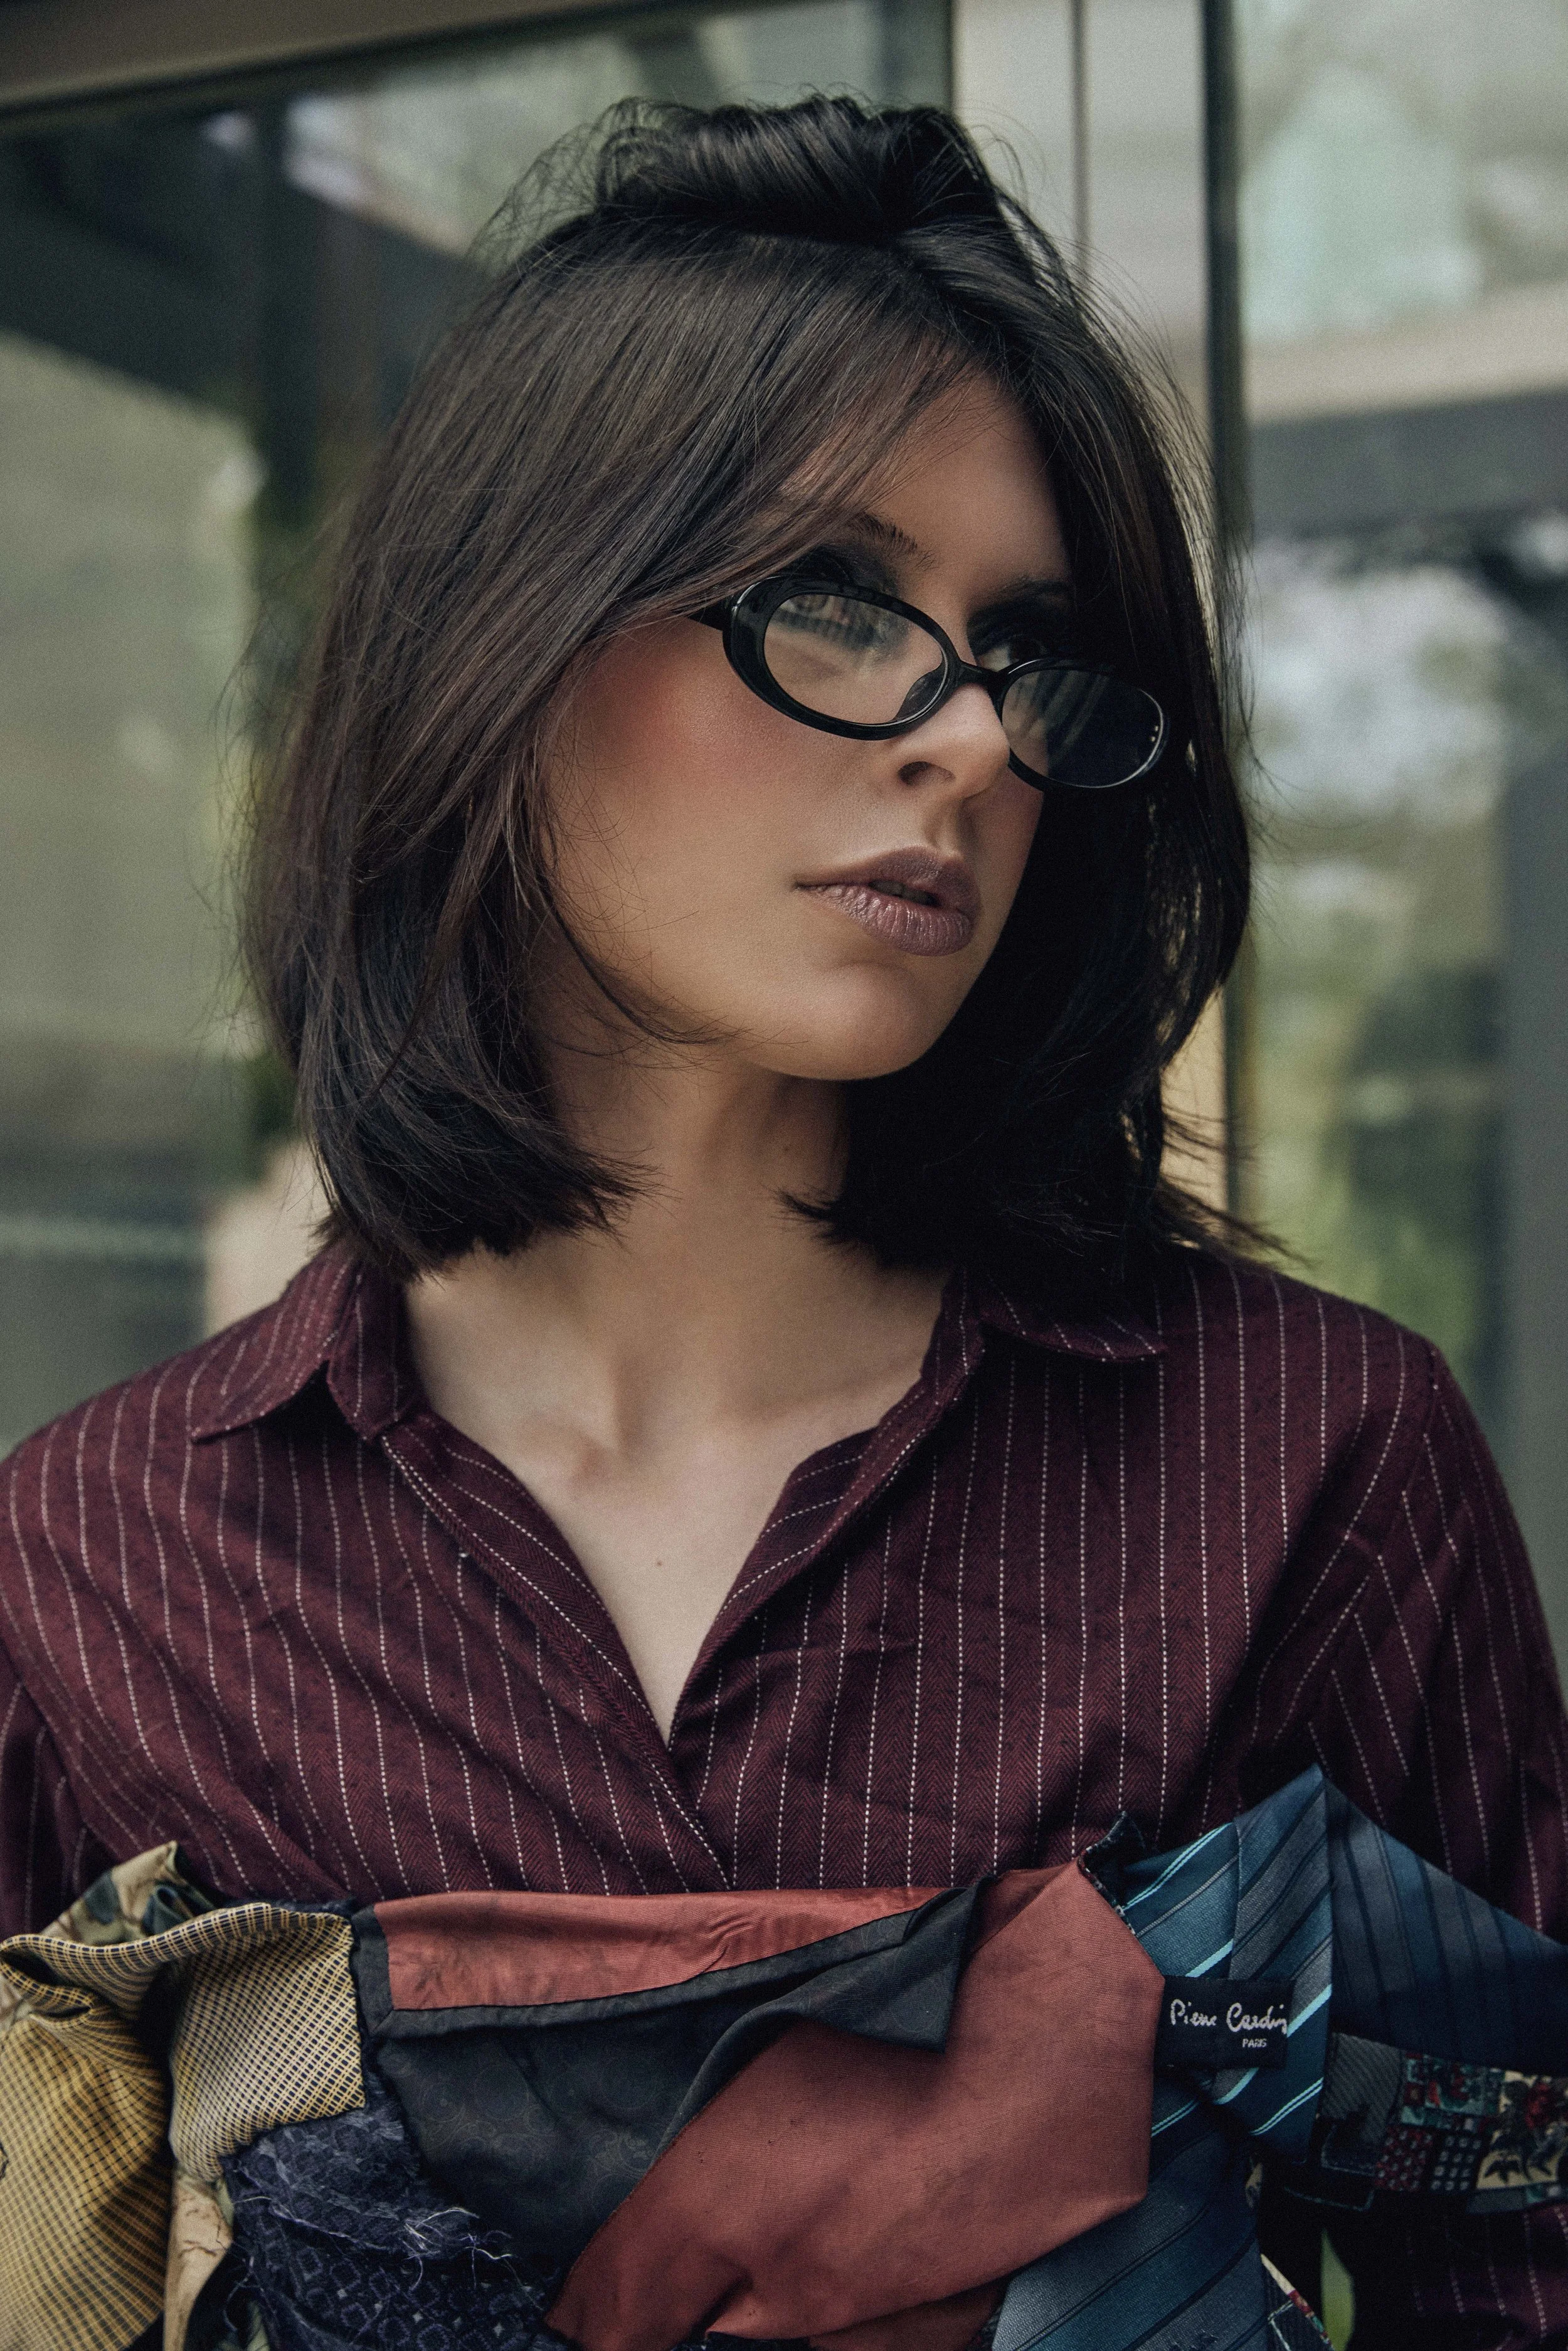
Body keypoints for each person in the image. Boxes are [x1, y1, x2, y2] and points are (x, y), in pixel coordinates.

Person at [1, 95, 1564, 2343]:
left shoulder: (1308, 1457)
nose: (966, 744)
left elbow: (1511, 2252)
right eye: (834, 600)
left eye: (1023, 654)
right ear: (502, 639)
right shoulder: (102, 1554)